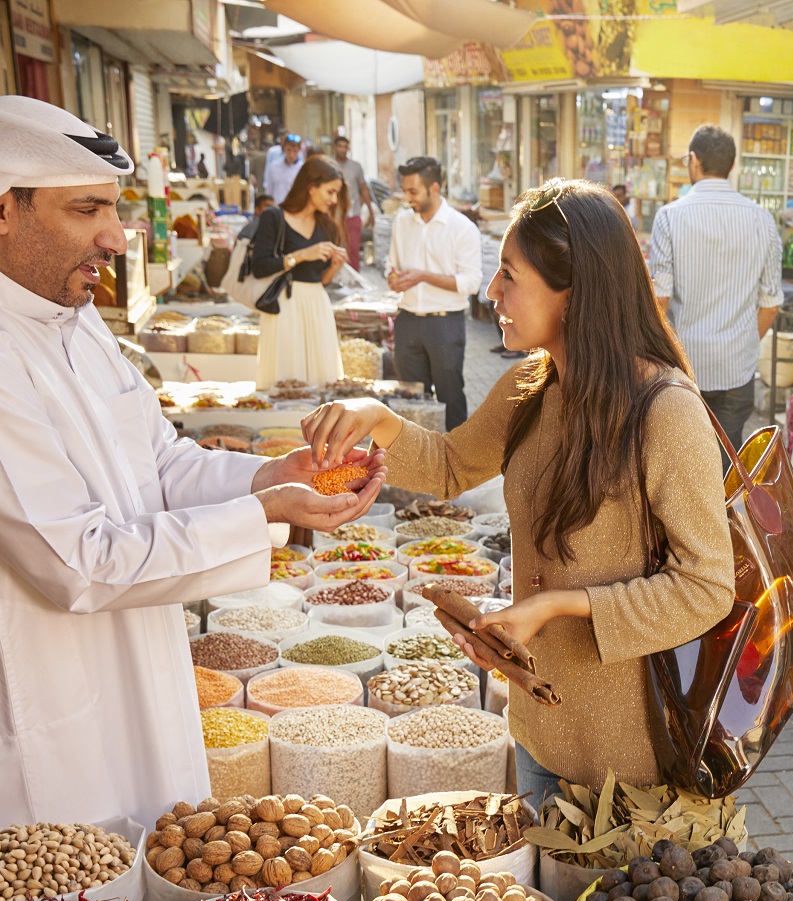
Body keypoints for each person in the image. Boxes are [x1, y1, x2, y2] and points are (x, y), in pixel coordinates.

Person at [0, 94, 384, 841]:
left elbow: (159, 462)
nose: (116, 238)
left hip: (128, 685)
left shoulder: (69, 318)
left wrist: (271, 477)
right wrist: (265, 515)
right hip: (30, 724)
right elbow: (76, 562)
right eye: (87, 211)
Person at [300, 179, 736, 808]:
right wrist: (376, 416)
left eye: (509, 274)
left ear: (576, 290)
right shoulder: (533, 385)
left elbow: (706, 587)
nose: (490, 292)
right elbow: (450, 466)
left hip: (632, 758)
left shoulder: (664, 412)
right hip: (536, 729)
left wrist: (560, 606)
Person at [647, 125, 783, 443]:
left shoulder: (668, 217)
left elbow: (660, 301)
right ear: (732, 166)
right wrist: (744, 344)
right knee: (728, 460)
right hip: (738, 368)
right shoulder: (763, 220)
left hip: (685, 368)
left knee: (683, 460)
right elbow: (771, 304)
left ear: (694, 161)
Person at [386, 156, 481, 428]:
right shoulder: (401, 222)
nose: (406, 198)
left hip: (445, 323)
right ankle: (414, 464)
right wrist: (391, 277)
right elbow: (390, 262)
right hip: (407, 320)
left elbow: (471, 283)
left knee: (450, 397)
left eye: (413, 192)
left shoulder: (462, 228)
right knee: (410, 400)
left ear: (435, 189)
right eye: (404, 190)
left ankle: (457, 466)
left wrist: (423, 276)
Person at [249, 156, 348, 386]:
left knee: (322, 379)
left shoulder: (327, 226)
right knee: (287, 379)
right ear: (312, 187)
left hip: (317, 306)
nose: (334, 200)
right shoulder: (273, 217)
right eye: (330, 192)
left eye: (337, 194)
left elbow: (320, 280)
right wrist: (303, 255)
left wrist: (334, 266)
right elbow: (260, 268)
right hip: (284, 306)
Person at [331, 134, 374, 269]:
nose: (343, 150)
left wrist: (371, 212)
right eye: (340, 146)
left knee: (354, 249)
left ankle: (355, 281)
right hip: (334, 215)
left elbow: (364, 189)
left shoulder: (356, 167)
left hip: (353, 214)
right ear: (334, 148)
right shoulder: (329, 165)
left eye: (345, 147)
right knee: (335, 249)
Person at [263, 132, 305, 205]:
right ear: (284, 149)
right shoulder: (274, 167)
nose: (291, 155)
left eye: (295, 151)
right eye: (289, 150)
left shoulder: (303, 169)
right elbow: (269, 190)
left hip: (294, 208)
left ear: (299, 151)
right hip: (277, 208)